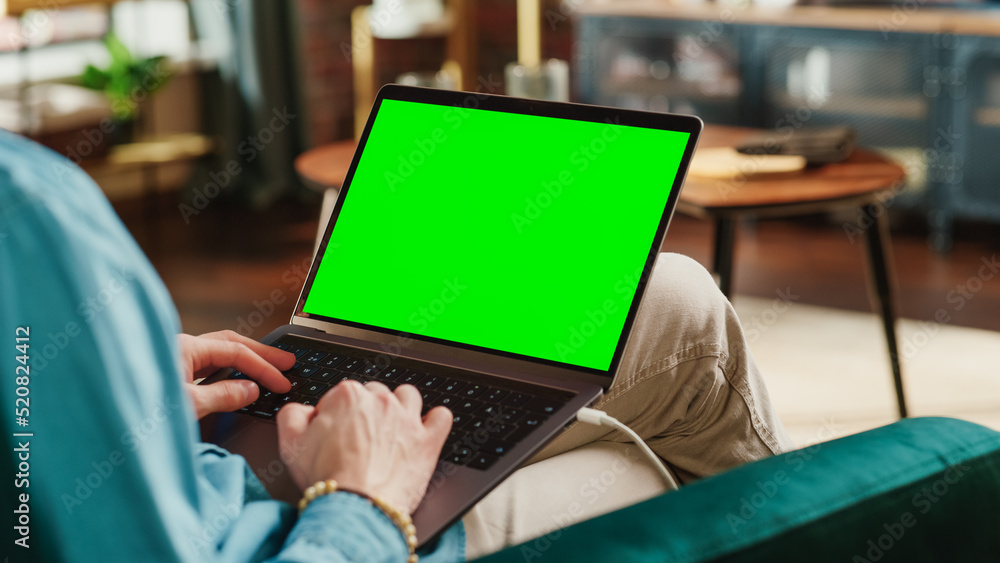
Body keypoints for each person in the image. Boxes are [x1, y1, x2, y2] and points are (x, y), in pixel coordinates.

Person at [0, 129, 791, 562]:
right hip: (318, 533)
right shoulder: (26, 211)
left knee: (677, 298)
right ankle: (825, 520)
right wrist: (361, 496)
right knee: (628, 467)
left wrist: (124, 407)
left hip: (210, 472)